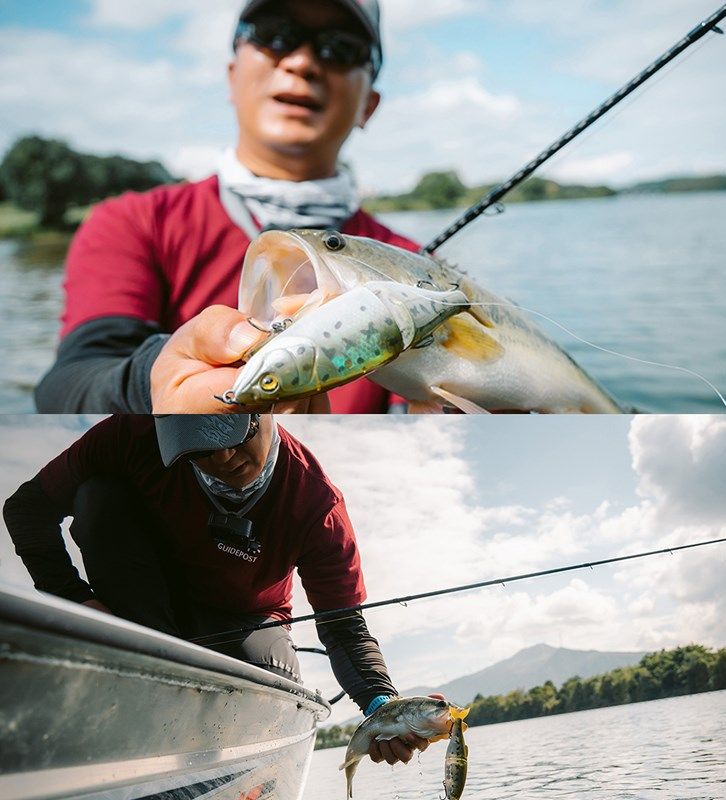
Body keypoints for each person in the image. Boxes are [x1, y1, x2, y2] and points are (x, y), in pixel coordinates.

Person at [35, 0, 419, 415]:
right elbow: (69, 386)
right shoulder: (133, 224)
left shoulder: (412, 268)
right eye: (275, 34)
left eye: (340, 48)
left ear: (369, 105)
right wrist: (156, 378)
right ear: (232, 76)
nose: (302, 62)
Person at [2, 413, 434, 767]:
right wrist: (78, 602)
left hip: (246, 624)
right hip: (142, 610)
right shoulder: (126, 436)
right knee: (97, 496)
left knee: (265, 671)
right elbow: (26, 510)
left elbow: (344, 630)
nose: (224, 457)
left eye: (234, 434)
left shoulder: (315, 502)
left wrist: (383, 706)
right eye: (200, 446)